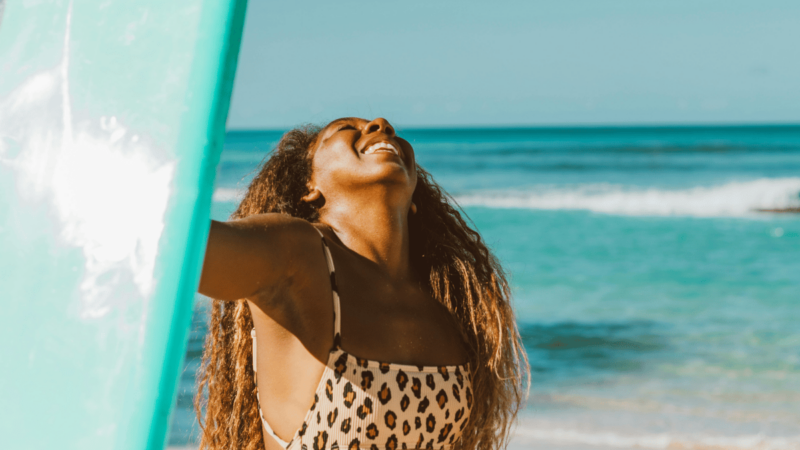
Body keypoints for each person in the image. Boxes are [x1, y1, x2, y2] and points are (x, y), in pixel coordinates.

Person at [196, 117, 528, 450]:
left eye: (386, 127)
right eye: (344, 130)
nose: (381, 125)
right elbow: (184, 252)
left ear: (415, 196)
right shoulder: (297, 259)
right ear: (310, 186)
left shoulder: (446, 306)